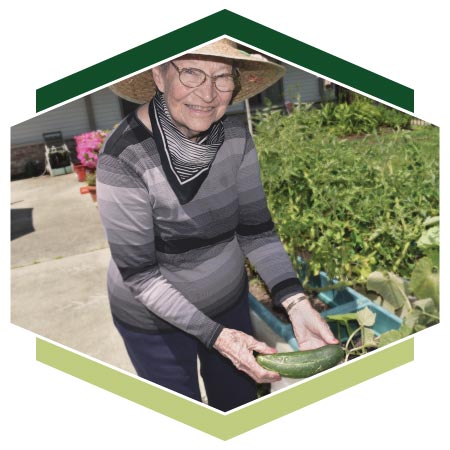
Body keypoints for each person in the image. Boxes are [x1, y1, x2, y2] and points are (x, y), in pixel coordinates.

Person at [97, 38, 338, 411]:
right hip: (152, 322)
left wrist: (296, 303)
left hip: (228, 303)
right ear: (159, 75)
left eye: (222, 77)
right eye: (191, 72)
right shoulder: (123, 156)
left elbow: (256, 230)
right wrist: (220, 339)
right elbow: (141, 275)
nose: (207, 93)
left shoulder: (237, 139)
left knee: (238, 407)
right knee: (180, 414)